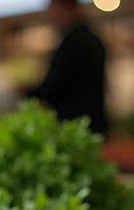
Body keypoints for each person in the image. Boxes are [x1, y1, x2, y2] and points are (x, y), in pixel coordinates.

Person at [26, 0, 107, 135]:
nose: (49, 12)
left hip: (75, 126)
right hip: (95, 120)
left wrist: (26, 92)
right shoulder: (93, 38)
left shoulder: (72, 42)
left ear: (62, 7)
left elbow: (53, 86)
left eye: (51, 7)